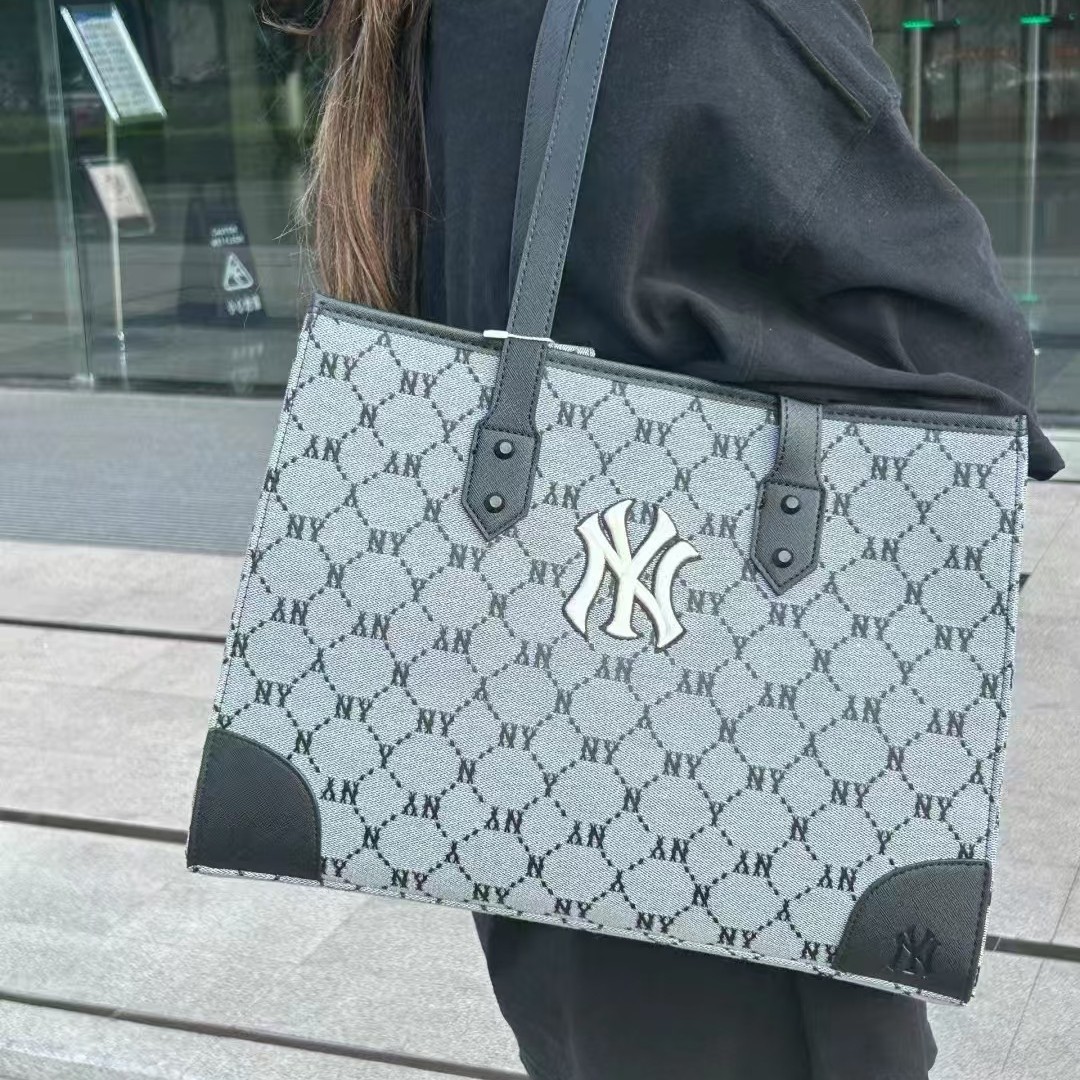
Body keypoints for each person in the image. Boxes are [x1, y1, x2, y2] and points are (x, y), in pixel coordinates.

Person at [272, 1, 1063, 1077]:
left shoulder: (437, 21)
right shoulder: (722, 16)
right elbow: (965, 352)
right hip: (750, 825)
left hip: (532, 791)